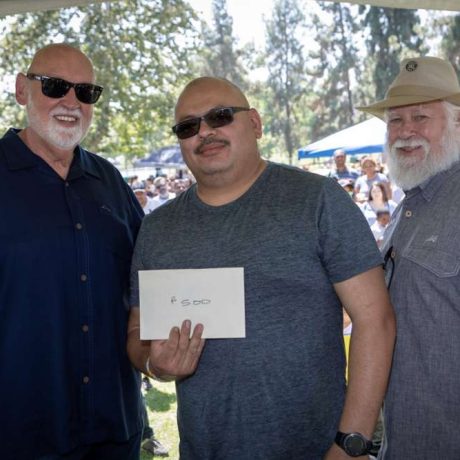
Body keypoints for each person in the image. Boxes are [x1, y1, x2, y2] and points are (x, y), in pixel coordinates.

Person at [127, 76, 395, 459]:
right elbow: (137, 331)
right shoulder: (157, 228)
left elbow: (376, 320)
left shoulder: (318, 201)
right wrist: (155, 363)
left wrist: (349, 444)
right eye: (188, 126)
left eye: (220, 116)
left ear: (255, 123)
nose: (205, 132)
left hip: (317, 449)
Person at [0, 43, 144, 459]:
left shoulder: (110, 181)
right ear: (21, 90)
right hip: (19, 436)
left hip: (114, 431)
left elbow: (148, 280)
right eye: (55, 86)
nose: (71, 101)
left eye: (86, 92)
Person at [358, 55, 460, 459]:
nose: (405, 132)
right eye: (395, 121)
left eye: (421, 118)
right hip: (405, 438)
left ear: (457, 123)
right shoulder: (408, 206)